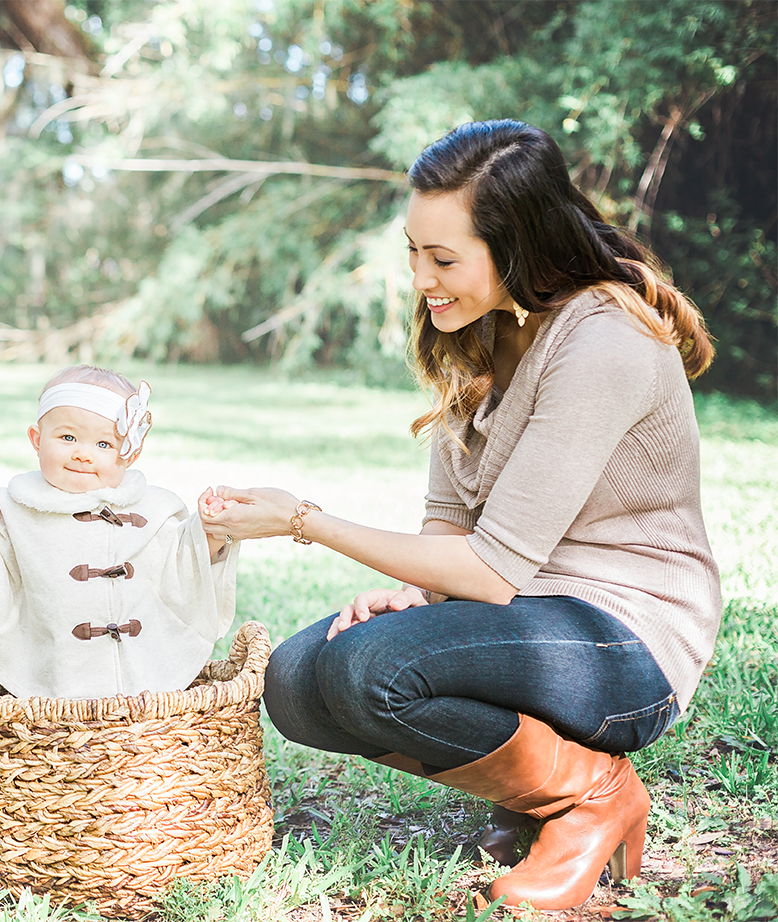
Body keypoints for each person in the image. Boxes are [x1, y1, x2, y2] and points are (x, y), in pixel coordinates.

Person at [200, 119, 720, 912]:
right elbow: (449, 519)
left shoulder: (603, 343)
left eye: (443, 258)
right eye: (413, 251)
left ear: (521, 246)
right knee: (298, 681)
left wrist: (304, 519)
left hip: (626, 636)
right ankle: (544, 785)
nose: (420, 278)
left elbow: (490, 567)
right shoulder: (476, 328)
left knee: (369, 669)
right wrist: (419, 595)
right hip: (524, 611)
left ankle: (590, 797)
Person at [0, 365, 240, 699]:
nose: (82, 453)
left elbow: (181, 568)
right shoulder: (14, 508)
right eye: (68, 437)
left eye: (104, 444)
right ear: (37, 439)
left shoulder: (153, 510)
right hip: (51, 668)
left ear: (130, 453)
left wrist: (212, 531)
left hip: (143, 671)